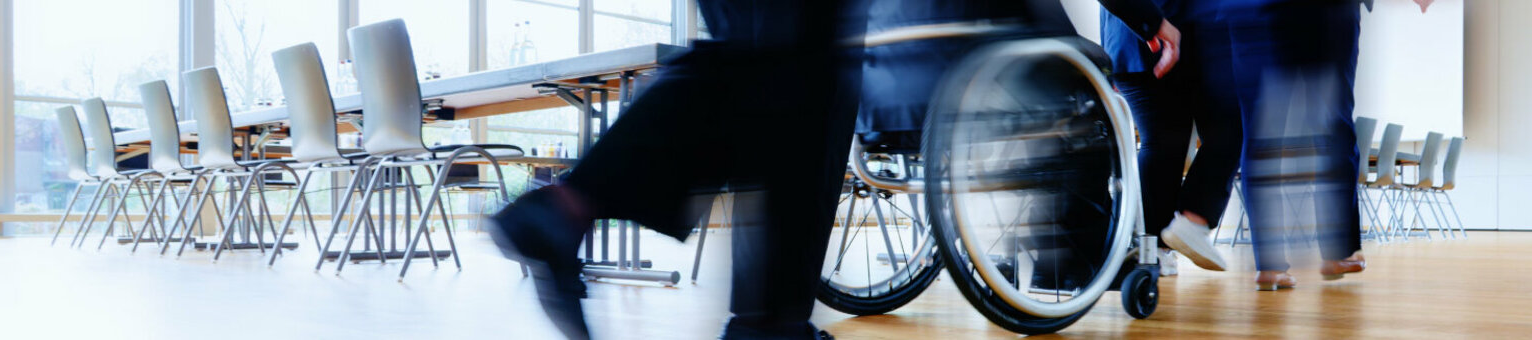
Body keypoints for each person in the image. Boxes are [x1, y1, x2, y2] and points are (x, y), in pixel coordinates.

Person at [488, 1, 1176, 338]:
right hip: (970, 65)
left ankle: (765, 320)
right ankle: (766, 325)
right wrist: (1147, 16)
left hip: (890, 76)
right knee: (796, 63)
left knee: (772, 55)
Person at [1226, 0, 1432, 290]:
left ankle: (1268, 266)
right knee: (1332, 123)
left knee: (1259, 134)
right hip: (1324, 11)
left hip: (1250, 13)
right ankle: (1338, 252)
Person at [1100, 0, 1243, 274]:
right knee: (1227, 127)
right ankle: (1187, 224)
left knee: (1163, 142)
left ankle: (1155, 247)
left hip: (1134, 39)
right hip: (1173, 33)